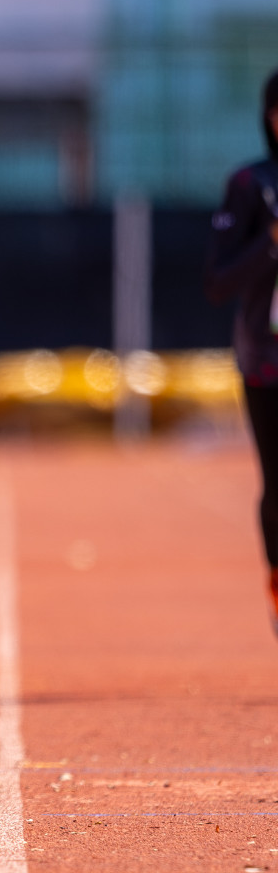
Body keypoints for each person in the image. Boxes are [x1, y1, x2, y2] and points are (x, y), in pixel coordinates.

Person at [206, 67, 278, 636]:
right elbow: (218, 280)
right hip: (268, 362)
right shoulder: (251, 185)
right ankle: (277, 577)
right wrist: (270, 245)